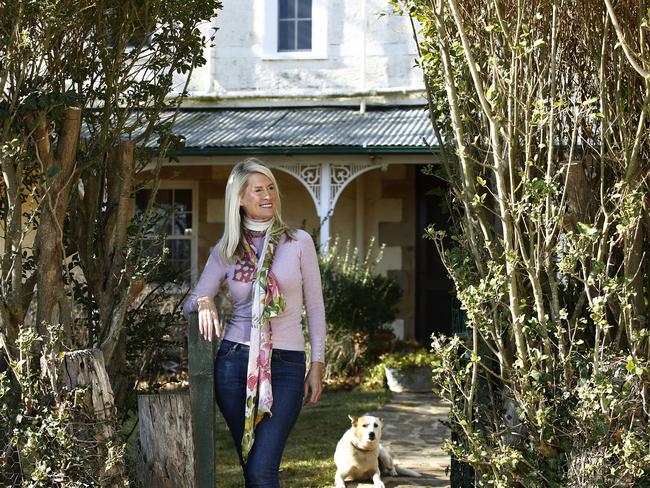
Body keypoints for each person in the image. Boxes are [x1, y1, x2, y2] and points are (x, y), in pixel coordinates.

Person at [183, 158, 326, 488]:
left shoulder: (298, 242)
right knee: (253, 468)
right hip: (235, 364)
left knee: (262, 467)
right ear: (240, 199)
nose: (268, 195)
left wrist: (317, 362)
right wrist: (204, 302)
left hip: (288, 365)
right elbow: (193, 298)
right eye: (258, 189)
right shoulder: (227, 250)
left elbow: (316, 307)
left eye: (271, 187)